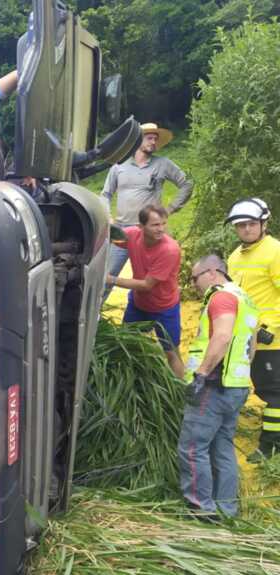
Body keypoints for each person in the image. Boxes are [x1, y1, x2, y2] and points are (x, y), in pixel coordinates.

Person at [178, 254, 258, 519]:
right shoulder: (244, 298)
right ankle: (227, 509)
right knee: (222, 445)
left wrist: (201, 374)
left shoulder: (221, 296)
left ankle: (201, 509)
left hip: (213, 385)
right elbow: (252, 346)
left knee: (192, 447)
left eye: (195, 278)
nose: (194, 284)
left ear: (212, 273)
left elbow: (222, 336)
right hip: (237, 385)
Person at [101, 123, 194, 296]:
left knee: (152, 281)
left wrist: (170, 208)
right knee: (106, 278)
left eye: (155, 139)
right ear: (136, 140)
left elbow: (187, 183)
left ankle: (150, 316)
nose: (153, 142)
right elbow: (105, 194)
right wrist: (107, 216)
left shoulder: (162, 164)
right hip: (122, 232)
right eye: (149, 138)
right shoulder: (118, 166)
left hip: (150, 234)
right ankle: (95, 317)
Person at [225, 197, 280, 461]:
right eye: (240, 226)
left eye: (250, 224)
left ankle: (270, 446)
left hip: (271, 338)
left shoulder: (275, 251)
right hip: (245, 336)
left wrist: (270, 327)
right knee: (261, 388)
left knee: (273, 392)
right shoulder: (234, 257)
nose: (246, 229)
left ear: (263, 223)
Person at [105, 203, 186, 378]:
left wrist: (110, 279)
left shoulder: (169, 250)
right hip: (139, 304)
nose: (161, 229)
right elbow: (110, 236)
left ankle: (180, 392)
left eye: (164, 224)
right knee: (125, 343)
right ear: (140, 227)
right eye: (155, 225)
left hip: (164, 308)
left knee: (171, 353)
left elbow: (146, 285)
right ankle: (132, 379)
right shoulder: (132, 235)